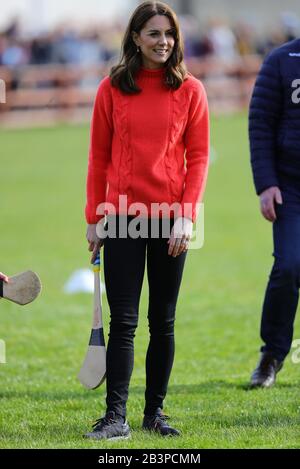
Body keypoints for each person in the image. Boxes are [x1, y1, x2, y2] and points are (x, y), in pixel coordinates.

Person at [84, 1, 209, 439]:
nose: (163, 42)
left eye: (169, 34)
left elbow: (198, 157)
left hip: (172, 219)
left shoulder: (191, 90)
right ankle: (115, 417)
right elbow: (98, 158)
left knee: (164, 320)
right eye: (154, 33)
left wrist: (188, 216)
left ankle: (154, 413)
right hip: (121, 218)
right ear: (135, 37)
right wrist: (93, 218)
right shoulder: (111, 88)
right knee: (124, 322)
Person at [249, 37, 300, 388]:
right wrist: (266, 182)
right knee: (288, 265)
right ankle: (271, 357)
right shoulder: (282, 60)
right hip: (290, 187)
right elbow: (261, 124)